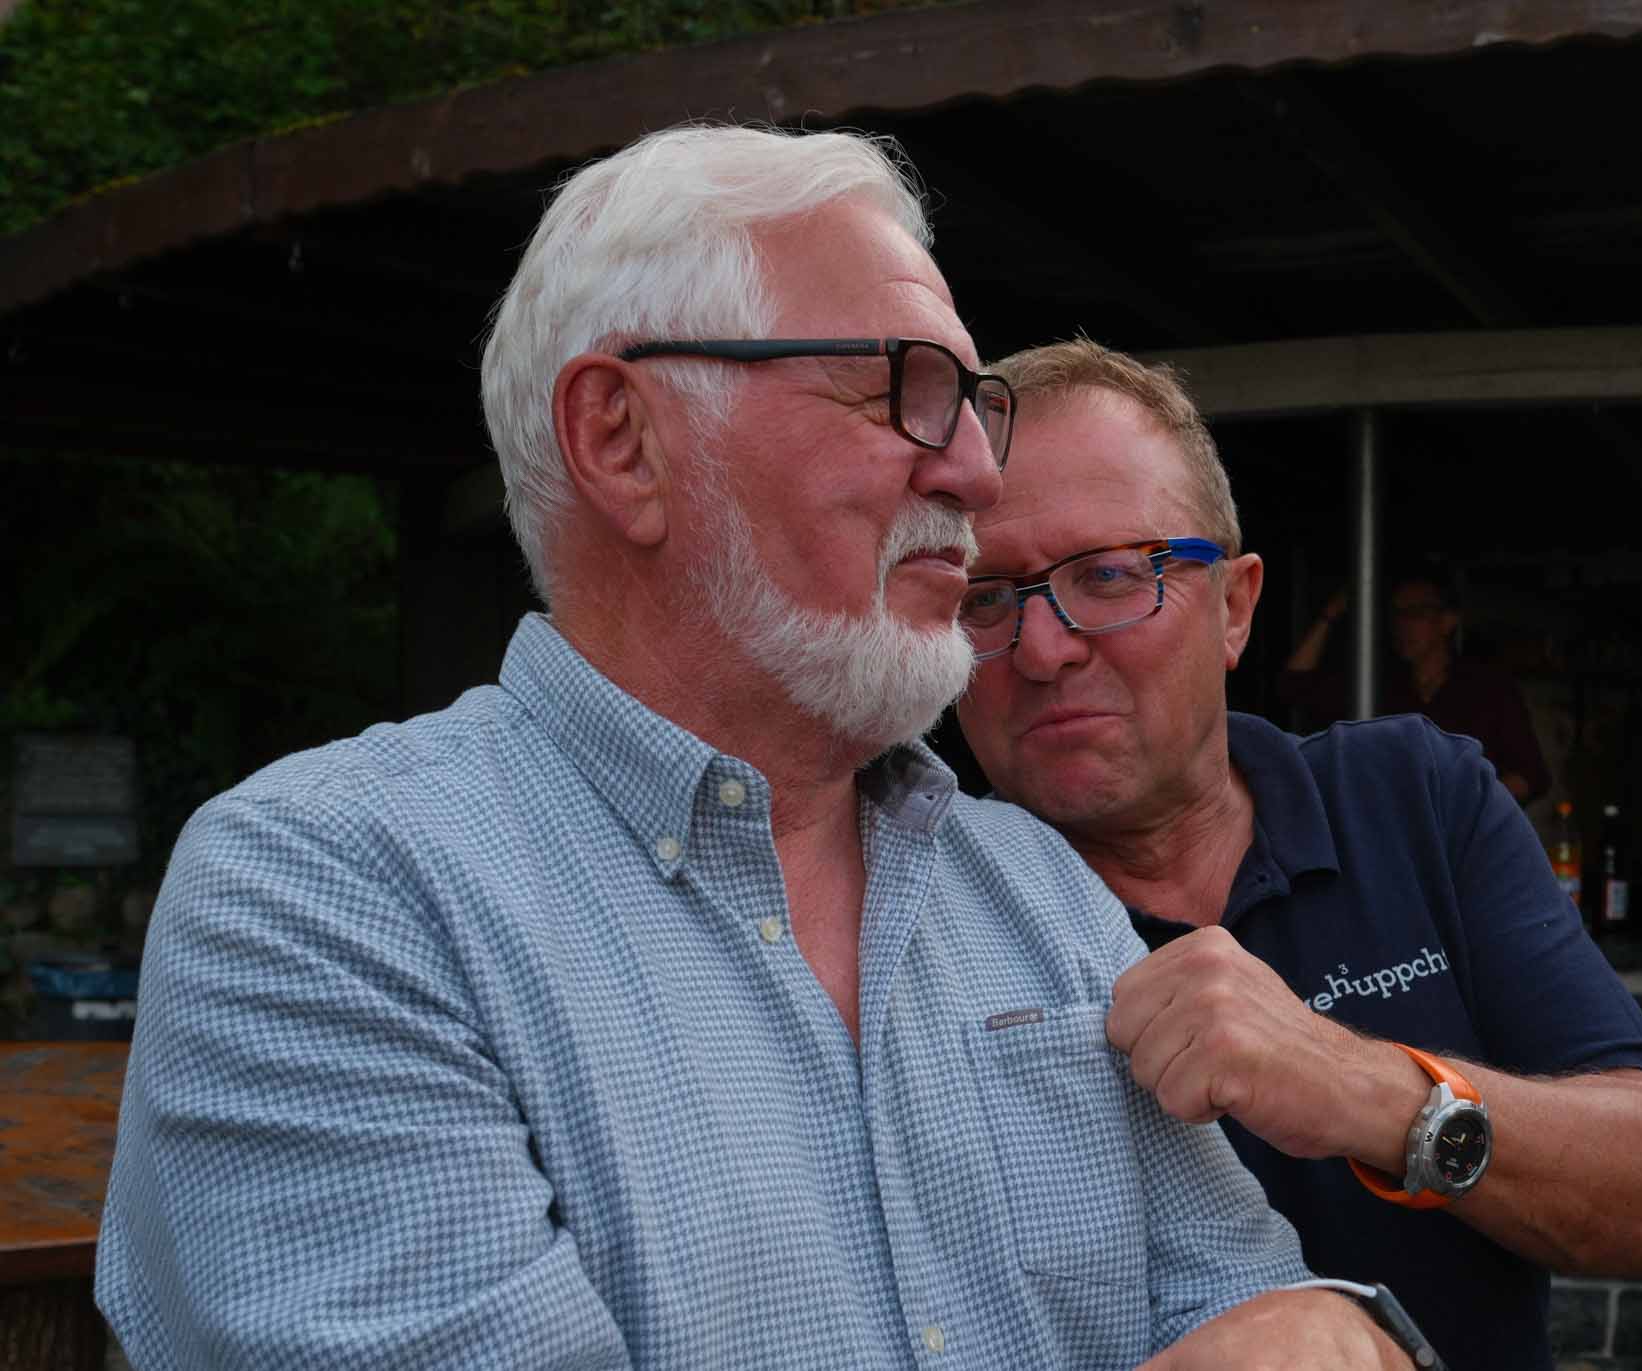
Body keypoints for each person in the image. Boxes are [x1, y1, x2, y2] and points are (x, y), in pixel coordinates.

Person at [94, 126, 1414, 1370]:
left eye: (972, 405)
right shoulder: (326, 899)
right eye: (904, 390)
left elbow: (1245, 1298)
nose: (974, 471)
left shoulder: (1033, 887)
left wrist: (1326, 1324)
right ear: (624, 442)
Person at [951, 338, 1642, 1370]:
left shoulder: (1413, 797)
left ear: (1233, 607)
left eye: (1107, 575)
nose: (1044, 648)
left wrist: (1365, 1091)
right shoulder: (915, 916)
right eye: (986, 597)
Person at [1277, 567, 1551, 805]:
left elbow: (1531, 775)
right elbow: (1294, 686)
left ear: (1447, 620)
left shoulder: (1487, 687)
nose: (1403, 625)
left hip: (1466, 841)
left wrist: (1466, 805)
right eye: (1397, 614)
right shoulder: (1381, 686)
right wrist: (1331, 613)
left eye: (1416, 613)